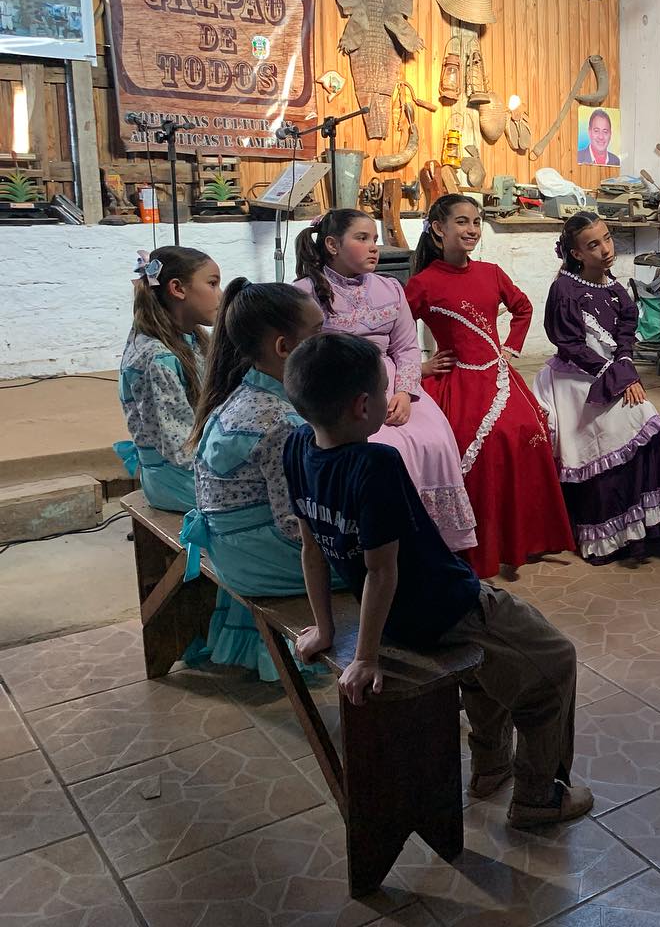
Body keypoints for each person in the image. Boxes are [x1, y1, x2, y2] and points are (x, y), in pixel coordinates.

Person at [282, 331, 593, 828]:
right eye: (385, 389)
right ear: (364, 405)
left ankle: (491, 767)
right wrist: (364, 658)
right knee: (554, 661)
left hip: (395, 616)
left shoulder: (298, 446)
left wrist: (324, 628)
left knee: (492, 662)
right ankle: (539, 795)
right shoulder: (377, 462)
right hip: (445, 606)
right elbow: (384, 571)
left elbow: (311, 547)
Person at [405, 194, 574, 579]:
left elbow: (523, 308)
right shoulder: (421, 284)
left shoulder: (492, 272)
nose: (472, 230)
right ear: (437, 229)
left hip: (498, 376)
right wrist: (422, 365)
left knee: (529, 430)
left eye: (476, 222)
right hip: (456, 383)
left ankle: (527, 538)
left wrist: (511, 349)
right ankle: (480, 547)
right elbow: (394, 336)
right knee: (474, 447)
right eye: (462, 222)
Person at [293, 209, 477, 557]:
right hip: (340, 388)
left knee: (435, 438)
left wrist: (405, 394)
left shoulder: (390, 287)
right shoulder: (304, 293)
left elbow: (407, 346)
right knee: (387, 449)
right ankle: (385, 544)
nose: (373, 247)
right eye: (362, 239)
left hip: (391, 381)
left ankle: (436, 542)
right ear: (332, 244)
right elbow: (304, 357)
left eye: (374, 239)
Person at [182, 280, 338, 680]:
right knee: (385, 566)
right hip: (254, 559)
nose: (329, 340)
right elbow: (293, 528)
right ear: (284, 348)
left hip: (230, 547)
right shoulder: (284, 423)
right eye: (318, 332)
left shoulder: (241, 392)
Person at [535, 212, 660, 564]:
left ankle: (647, 524)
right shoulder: (564, 289)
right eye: (594, 244)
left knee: (646, 422)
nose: (606, 249)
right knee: (624, 424)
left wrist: (626, 372)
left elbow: (624, 340)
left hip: (609, 372)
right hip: (575, 377)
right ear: (576, 254)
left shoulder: (616, 289)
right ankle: (612, 530)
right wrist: (618, 378)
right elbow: (571, 346)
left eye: (607, 238)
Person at [114, 247, 221, 512]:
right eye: (212, 284)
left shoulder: (191, 338)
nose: (220, 294)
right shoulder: (155, 358)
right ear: (177, 289)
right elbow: (179, 446)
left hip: (192, 466)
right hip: (175, 479)